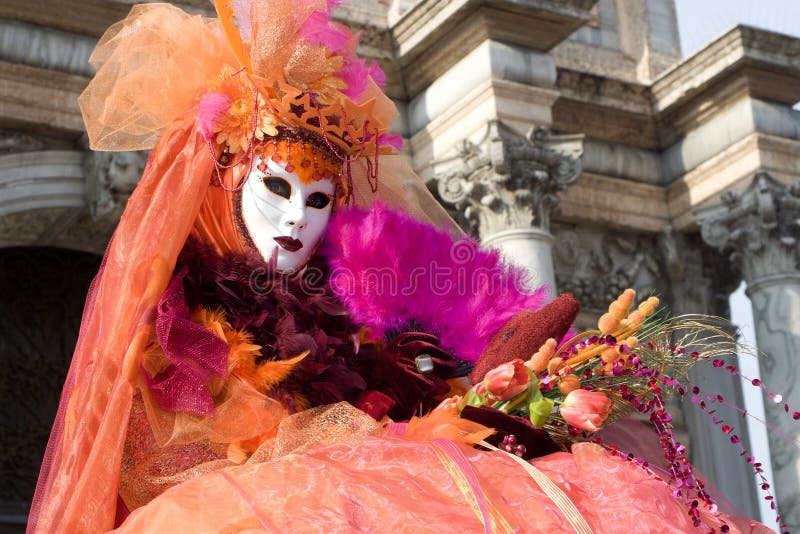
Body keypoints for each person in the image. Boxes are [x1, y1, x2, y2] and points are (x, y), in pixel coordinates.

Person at [28, 2, 774, 532]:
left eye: (318, 200)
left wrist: (502, 399)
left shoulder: (354, 302)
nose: (296, 218)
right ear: (225, 179)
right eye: (277, 188)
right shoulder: (170, 314)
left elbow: (421, 386)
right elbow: (168, 472)